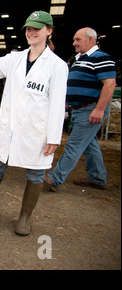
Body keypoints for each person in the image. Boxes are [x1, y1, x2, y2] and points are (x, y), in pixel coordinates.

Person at [0, 10, 69, 236]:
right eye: (28, 29)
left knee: (36, 173)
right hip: (9, 128)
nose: (31, 33)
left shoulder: (57, 66)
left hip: (36, 131)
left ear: (49, 31)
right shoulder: (15, 58)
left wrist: (54, 137)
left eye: (36, 29)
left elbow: (58, 104)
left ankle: (24, 218)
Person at [43, 27, 117, 192]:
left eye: (78, 39)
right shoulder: (79, 59)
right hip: (79, 109)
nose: (74, 43)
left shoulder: (101, 58)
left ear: (90, 40)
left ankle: (55, 178)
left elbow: (110, 83)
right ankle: (98, 177)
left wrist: (99, 109)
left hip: (89, 109)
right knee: (90, 145)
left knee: (73, 145)